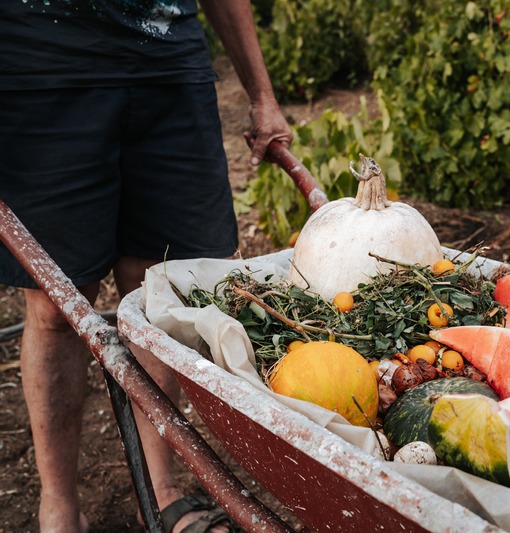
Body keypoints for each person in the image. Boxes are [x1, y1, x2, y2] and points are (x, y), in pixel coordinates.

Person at [0, 1, 292, 532]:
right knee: (56, 305)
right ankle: (59, 507)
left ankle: (163, 491)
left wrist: (262, 96)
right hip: (39, 63)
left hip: (167, 66)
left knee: (158, 287)